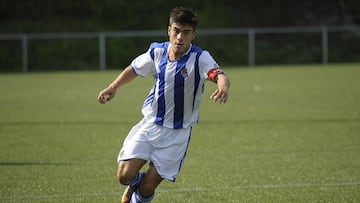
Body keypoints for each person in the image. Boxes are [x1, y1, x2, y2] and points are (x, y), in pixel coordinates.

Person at [97, 6, 230, 203]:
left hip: (177, 134)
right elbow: (134, 69)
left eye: (186, 33)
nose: (179, 37)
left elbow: (218, 74)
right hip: (150, 125)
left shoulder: (200, 58)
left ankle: (139, 192)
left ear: (193, 34)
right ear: (169, 30)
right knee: (124, 175)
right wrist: (113, 87)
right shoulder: (157, 52)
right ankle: (135, 183)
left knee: (148, 187)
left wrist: (223, 87)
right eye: (176, 31)